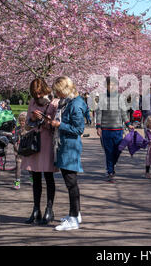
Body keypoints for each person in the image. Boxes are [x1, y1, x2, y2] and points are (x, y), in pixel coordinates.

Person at [48, 77, 86, 231]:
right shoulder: (71, 101)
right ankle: (76, 214)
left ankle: (73, 218)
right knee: (71, 183)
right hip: (66, 146)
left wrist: (59, 124)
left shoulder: (74, 105)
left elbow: (79, 129)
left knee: (71, 184)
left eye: (57, 90)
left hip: (70, 147)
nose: (55, 93)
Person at [22, 78, 59, 225]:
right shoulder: (32, 102)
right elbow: (26, 126)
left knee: (48, 177)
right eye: (34, 93)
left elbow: (55, 125)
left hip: (47, 142)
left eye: (39, 93)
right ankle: (36, 209)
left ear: (44, 89)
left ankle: (49, 209)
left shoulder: (54, 102)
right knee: (35, 177)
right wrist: (31, 118)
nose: (37, 96)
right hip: (34, 143)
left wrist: (44, 120)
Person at [96, 77, 134, 182]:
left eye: (114, 85)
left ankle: (112, 165)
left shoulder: (120, 97)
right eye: (110, 84)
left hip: (118, 129)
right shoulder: (103, 98)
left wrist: (128, 124)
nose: (112, 86)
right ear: (106, 86)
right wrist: (98, 127)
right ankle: (110, 171)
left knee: (118, 150)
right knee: (108, 151)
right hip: (106, 129)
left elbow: (123, 112)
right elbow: (99, 113)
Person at [13, 112, 29, 190]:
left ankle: (32, 178)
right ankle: (17, 182)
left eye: (24, 121)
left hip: (27, 149)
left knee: (30, 167)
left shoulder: (29, 128)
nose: (22, 122)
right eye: (20, 121)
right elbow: (15, 140)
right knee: (18, 166)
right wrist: (15, 147)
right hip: (19, 149)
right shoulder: (17, 129)